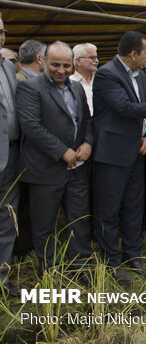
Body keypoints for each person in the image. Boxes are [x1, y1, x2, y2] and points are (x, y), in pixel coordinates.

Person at [92, 31, 146, 284]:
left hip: (137, 153)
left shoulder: (140, 76)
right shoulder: (107, 74)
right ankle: (112, 262)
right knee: (108, 210)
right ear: (133, 54)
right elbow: (124, 109)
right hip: (113, 154)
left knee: (133, 207)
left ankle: (133, 256)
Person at [16, 41, 93, 274]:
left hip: (77, 168)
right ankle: (51, 270)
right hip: (45, 169)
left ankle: (80, 266)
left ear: (73, 65)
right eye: (55, 65)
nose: (61, 70)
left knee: (78, 220)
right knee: (45, 224)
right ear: (43, 61)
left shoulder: (76, 88)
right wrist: (62, 151)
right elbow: (32, 126)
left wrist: (88, 143)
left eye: (66, 66)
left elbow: (87, 121)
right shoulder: (30, 88)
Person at [0, 16, 20, 296]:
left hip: (12, 154)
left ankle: (2, 279)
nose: (0, 36)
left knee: (7, 219)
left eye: (2, 30)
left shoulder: (7, 65)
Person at [70, 43, 98, 116]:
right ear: (78, 61)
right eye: (92, 58)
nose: (97, 60)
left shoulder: (102, 80)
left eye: (96, 57)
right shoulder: (69, 84)